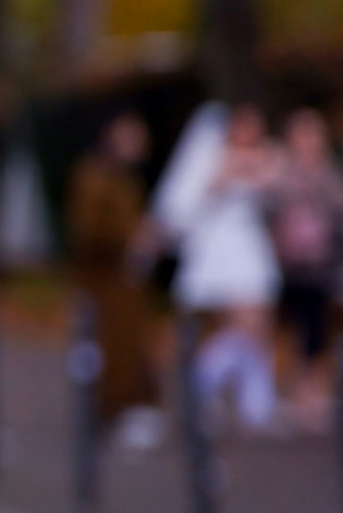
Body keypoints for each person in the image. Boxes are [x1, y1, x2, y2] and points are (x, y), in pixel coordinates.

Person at [173, 103, 282, 434]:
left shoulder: (265, 157)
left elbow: (273, 186)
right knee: (231, 325)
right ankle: (208, 386)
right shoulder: (214, 155)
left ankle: (242, 393)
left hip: (249, 247)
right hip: (221, 247)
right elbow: (198, 193)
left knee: (255, 324)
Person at [66, 113, 161, 448]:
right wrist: (131, 238)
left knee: (125, 344)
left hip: (124, 279)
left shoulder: (122, 178)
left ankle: (127, 406)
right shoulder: (96, 175)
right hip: (107, 281)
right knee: (110, 345)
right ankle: (114, 409)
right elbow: (90, 230)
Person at [267, 108, 343, 431]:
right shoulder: (281, 171)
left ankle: (314, 391)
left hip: (320, 263)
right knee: (293, 328)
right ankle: (297, 391)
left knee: (317, 327)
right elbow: (268, 204)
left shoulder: (327, 171)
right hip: (288, 263)